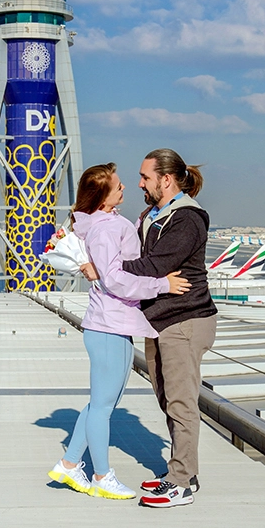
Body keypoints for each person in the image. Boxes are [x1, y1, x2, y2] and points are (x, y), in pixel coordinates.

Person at [82, 148, 216, 508]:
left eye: (145, 177)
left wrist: (107, 269)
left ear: (165, 180)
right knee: (166, 398)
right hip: (158, 321)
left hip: (185, 319)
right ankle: (180, 470)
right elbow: (132, 258)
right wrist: (105, 265)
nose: (139, 183)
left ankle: (182, 482)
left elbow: (157, 264)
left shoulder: (186, 218)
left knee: (181, 402)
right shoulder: (153, 214)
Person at [47, 162, 191, 500]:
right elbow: (114, 279)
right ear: (102, 195)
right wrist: (162, 285)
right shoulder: (107, 228)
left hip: (108, 323)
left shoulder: (97, 223)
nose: (125, 187)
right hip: (110, 324)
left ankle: (69, 465)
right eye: (118, 185)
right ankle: (101, 476)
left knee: (99, 402)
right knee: (103, 407)